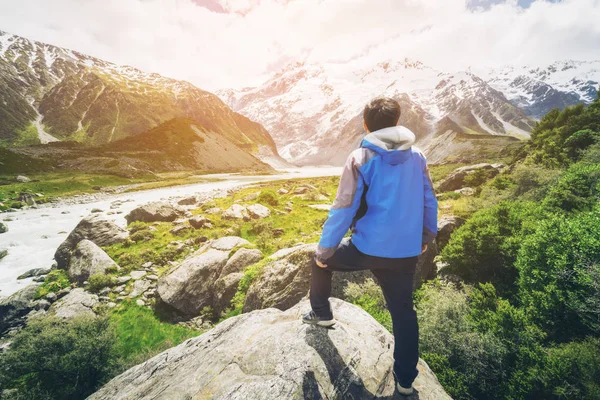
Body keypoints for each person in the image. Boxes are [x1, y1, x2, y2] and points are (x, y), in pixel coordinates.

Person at [301, 97, 438, 396]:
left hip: (366, 248)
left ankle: (322, 313)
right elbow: (429, 198)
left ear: (365, 124)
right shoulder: (418, 156)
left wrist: (324, 251)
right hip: (405, 252)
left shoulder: (360, 157)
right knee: (403, 312)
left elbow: (343, 208)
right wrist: (426, 237)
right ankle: (404, 382)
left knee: (320, 262)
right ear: (399, 121)